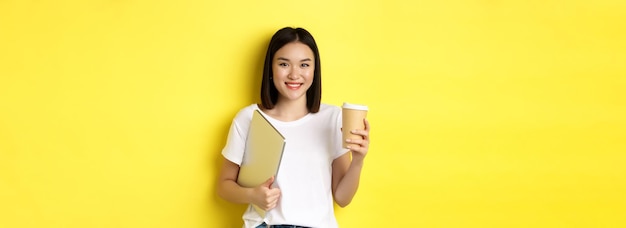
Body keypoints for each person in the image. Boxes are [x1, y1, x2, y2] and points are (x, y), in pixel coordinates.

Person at [217, 27, 370, 228]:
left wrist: (358, 160)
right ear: (271, 69)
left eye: (304, 65)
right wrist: (253, 195)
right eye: (284, 64)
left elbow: (342, 198)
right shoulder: (249, 118)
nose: (294, 74)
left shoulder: (333, 118)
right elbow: (224, 185)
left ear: (314, 70)